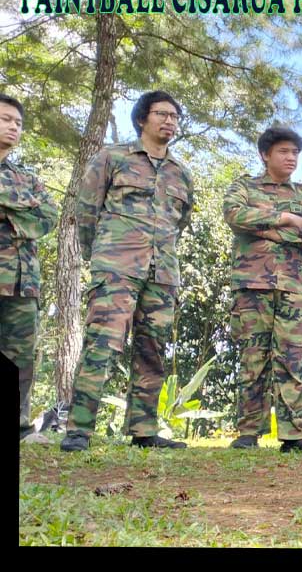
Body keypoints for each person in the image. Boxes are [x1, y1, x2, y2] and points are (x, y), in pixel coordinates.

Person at [62, 91, 194, 452]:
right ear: (141, 119)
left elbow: (179, 222)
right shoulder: (112, 158)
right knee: (101, 344)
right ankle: (79, 429)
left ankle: (143, 429)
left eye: (174, 116)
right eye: (162, 114)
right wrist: (102, 254)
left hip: (162, 273)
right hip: (116, 267)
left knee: (153, 347)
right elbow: (87, 211)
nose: (169, 121)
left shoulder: (181, 173)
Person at [221, 126, 302, 453]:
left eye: (295, 152)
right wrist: (284, 218)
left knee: (292, 359)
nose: (291, 157)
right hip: (252, 285)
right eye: (283, 151)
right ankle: (248, 433)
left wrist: (266, 230)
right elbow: (234, 215)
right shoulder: (244, 186)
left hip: (293, 288)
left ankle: (294, 435)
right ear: (265, 154)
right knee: (252, 358)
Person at [0, 94, 58, 445]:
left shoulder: (28, 179)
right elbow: (32, 213)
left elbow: (47, 217)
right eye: (6, 119)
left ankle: (20, 428)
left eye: (18, 123)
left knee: (19, 358)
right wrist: (21, 208)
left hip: (21, 283)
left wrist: (7, 213)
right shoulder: (26, 190)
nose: (13, 127)